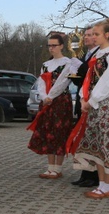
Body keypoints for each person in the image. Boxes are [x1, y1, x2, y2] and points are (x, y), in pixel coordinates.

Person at [67, 18, 109, 199]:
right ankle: (101, 185)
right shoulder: (97, 54)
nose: (95, 37)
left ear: (107, 35)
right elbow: (87, 79)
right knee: (97, 145)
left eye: (97, 34)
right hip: (92, 105)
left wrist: (91, 100)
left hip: (105, 105)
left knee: (107, 144)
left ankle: (108, 186)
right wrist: (84, 98)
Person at [27, 33, 76, 179]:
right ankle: (50, 167)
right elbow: (41, 83)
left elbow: (62, 82)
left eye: (54, 45)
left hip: (61, 102)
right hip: (47, 103)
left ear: (61, 46)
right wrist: (44, 97)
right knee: (48, 132)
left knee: (59, 133)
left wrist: (51, 96)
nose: (51, 48)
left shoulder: (68, 63)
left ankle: (58, 168)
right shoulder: (46, 65)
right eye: (49, 45)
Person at [69, 26, 100, 187]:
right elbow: (79, 80)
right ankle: (84, 173)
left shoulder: (99, 55)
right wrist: (74, 72)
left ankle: (93, 176)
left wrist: (79, 66)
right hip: (81, 100)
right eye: (85, 35)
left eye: (89, 35)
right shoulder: (84, 55)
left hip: (91, 102)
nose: (86, 38)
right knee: (82, 140)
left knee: (91, 139)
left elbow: (91, 74)